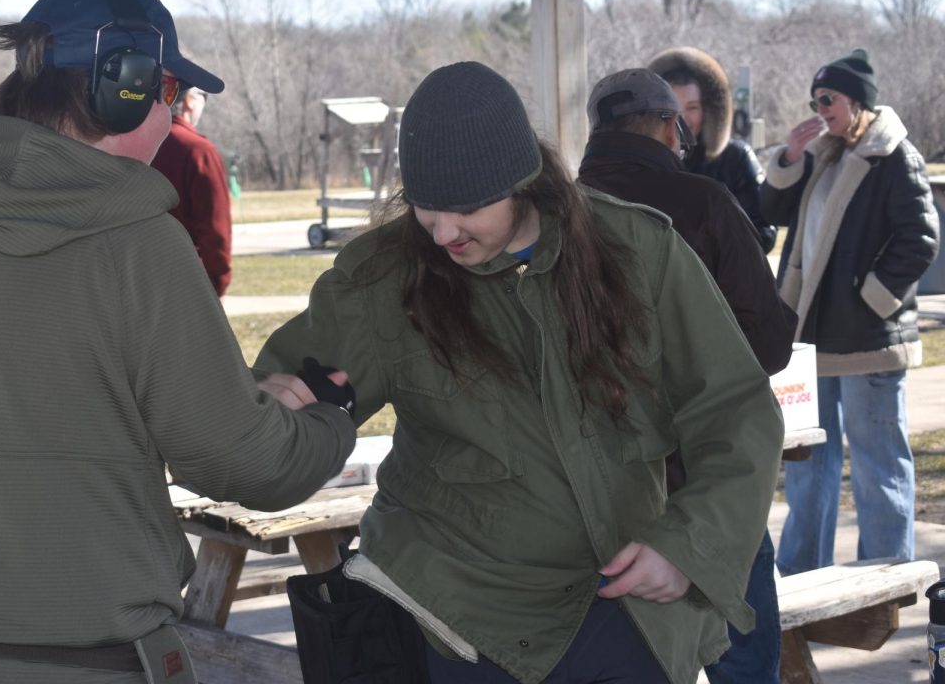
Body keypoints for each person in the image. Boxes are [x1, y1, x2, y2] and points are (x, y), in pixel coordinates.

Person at [0, 0, 357, 683]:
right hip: (90, 664)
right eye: (165, 92)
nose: (172, 117)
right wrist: (326, 422)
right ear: (119, 87)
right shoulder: (140, 245)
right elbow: (238, 460)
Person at [255, 61, 784, 683]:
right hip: (458, 621)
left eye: (466, 208)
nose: (443, 231)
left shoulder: (638, 252)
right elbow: (272, 417)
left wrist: (689, 548)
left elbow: (736, 410)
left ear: (520, 182)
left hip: (621, 610)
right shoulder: (385, 279)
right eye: (426, 207)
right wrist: (266, 416)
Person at [578, 67, 797, 684]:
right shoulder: (702, 204)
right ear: (670, 127)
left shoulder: (558, 215)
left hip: (595, 486)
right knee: (742, 660)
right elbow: (768, 345)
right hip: (704, 476)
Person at [762, 49, 939, 575]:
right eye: (814, 99)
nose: (819, 109)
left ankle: (887, 578)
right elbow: (770, 212)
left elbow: (921, 239)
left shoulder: (894, 155)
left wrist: (872, 298)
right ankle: (803, 576)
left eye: (828, 98)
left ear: (858, 101)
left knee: (876, 464)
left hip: (869, 341)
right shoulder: (823, 153)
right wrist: (790, 160)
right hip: (813, 339)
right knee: (807, 463)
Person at [647, 47, 776, 253]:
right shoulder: (643, 162)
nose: (682, 119)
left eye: (692, 108)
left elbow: (763, 232)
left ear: (709, 110)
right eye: (672, 108)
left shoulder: (736, 158)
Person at [150, 84, 233, 295]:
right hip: (189, 280)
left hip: (141, 276)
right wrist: (218, 283)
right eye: (204, 95)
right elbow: (215, 229)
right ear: (189, 100)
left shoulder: (141, 144)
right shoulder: (198, 151)